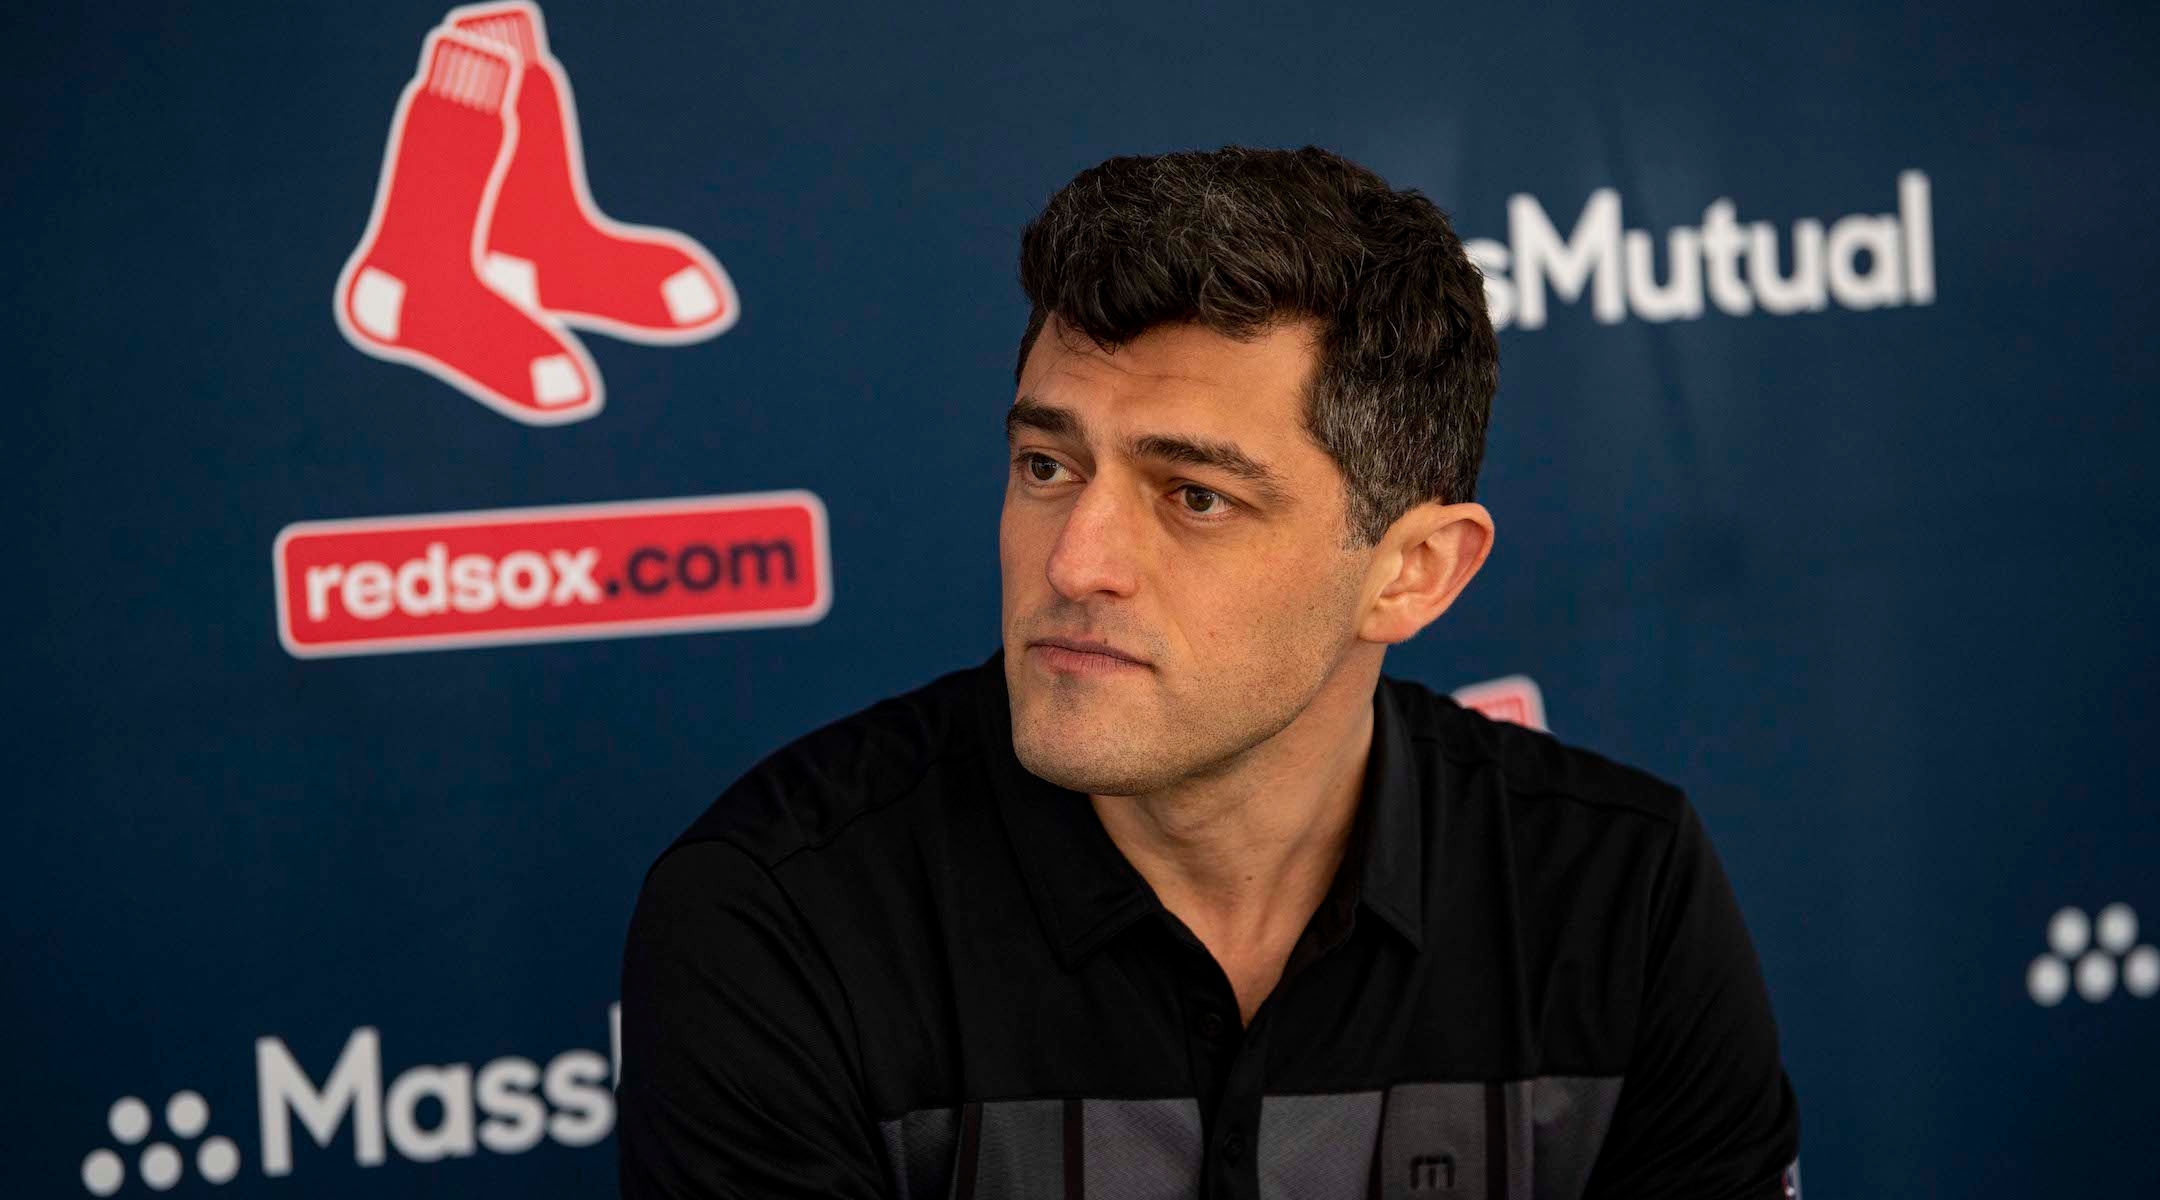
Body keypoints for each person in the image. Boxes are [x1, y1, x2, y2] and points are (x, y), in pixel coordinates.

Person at [618, 145, 1800, 1199]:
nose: (1076, 562)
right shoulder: (778, 918)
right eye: (1045, 465)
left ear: (1415, 574)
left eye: (1195, 497)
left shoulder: (1618, 894)